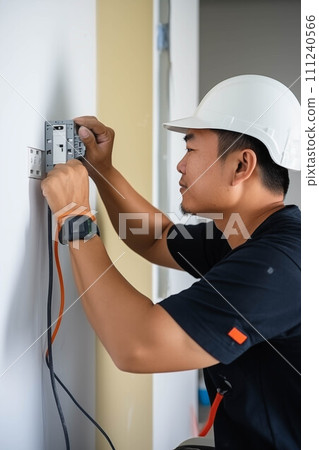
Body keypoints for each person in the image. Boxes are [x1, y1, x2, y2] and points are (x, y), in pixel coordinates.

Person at [41, 75, 301, 449]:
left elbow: (136, 345)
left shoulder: (277, 263)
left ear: (242, 165)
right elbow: (154, 237)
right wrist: (101, 172)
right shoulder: (245, 234)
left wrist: (76, 217)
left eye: (191, 150)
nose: (180, 165)